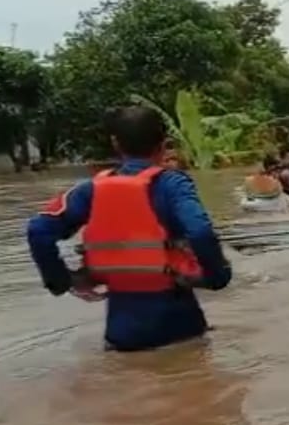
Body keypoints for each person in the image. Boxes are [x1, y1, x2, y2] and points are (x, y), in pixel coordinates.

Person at [26, 106, 232, 352]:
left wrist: (60, 281)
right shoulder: (173, 185)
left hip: (122, 334)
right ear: (164, 144)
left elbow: (38, 231)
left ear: (116, 143)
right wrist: (217, 277)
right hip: (180, 325)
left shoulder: (90, 190)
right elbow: (200, 231)